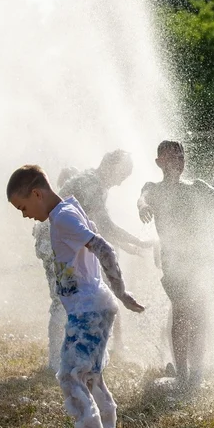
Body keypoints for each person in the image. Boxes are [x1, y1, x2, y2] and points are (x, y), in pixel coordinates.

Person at [6, 165, 145, 428]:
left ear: (37, 193)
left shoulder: (64, 217)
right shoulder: (68, 207)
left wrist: (121, 292)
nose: (25, 215)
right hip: (92, 307)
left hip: (88, 310)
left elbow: (102, 247)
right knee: (93, 378)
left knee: (70, 377)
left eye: (24, 207)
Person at [137, 141, 214, 389]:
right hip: (174, 262)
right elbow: (142, 199)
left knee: (199, 314)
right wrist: (144, 207)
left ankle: (196, 372)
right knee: (180, 313)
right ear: (159, 162)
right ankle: (182, 373)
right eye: (170, 157)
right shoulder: (152, 188)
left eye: (180, 156)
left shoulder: (195, 187)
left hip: (199, 261)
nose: (177, 161)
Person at [60, 150, 153, 356]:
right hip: (62, 243)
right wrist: (138, 241)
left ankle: (111, 344)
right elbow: (106, 226)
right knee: (87, 295)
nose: (120, 183)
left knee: (105, 290)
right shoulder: (92, 185)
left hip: (72, 241)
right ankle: (73, 352)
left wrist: (131, 248)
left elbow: (99, 227)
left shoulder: (95, 181)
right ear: (111, 167)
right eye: (121, 176)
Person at [33, 166, 80, 372]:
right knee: (62, 303)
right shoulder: (61, 205)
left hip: (52, 253)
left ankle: (60, 357)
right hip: (57, 254)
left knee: (62, 302)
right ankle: (56, 361)